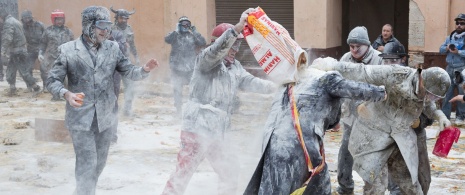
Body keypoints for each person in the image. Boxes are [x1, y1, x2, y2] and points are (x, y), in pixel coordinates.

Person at [46, 6, 159, 195]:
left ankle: (82, 192)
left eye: (108, 26)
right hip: (80, 119)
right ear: (89, 25)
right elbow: (52, 80)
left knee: (99, 163)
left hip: (106, 118)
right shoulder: (68, 50)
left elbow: (128, 70)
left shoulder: (112, 48)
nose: (106, 30)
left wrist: (144, 70)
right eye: (101, 25)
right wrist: (66, 93)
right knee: (87, 163)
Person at [161, 9, 276, 195]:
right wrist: (237, 28)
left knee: (230, 171)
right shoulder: (205, 60)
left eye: (238, 45)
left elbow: (252, 82)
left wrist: (278, 86)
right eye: (232, 44)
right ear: (218, 43)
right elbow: (216, 52)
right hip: (197, 130)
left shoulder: (235, 68)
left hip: (218, 133)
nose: (235, 50)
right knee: (183, 174)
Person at [311, 58, 452, 195]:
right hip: (374, 136)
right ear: (421, 79)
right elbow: (362, 71)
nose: (429, 98)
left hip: (398, 138)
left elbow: (428, 105)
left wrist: (440, 116)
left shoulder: (425, 93)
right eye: (429, 94)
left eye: (434, 97)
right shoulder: (396, 75)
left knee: (411, 186)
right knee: (376, 187)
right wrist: (330, 65)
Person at [336, 26, 383, 195]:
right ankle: (344, 187)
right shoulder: (345, 59)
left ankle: (371, 189)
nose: (354, 50)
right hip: (350, 117)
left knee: (370, 156)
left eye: (358, 47)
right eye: (351, 46)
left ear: (367, 45)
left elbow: (385, 89)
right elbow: (338, 87)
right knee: (345, 154)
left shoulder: (379, 60)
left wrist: (369, 106)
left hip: (372, 120)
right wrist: (337, 116)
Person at [165, 16, 206, 116]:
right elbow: (167, 39)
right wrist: (175, 30)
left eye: (187, 24)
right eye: (183, 24)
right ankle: (178, 110)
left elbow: (202, 42)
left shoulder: (192, 36)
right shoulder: (175, 35)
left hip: (190, 68)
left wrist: (195, 32)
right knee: (177, 90)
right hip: (177, 68)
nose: (185, 26)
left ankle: (192, 110)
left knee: (194, 90)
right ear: (179, 25)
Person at [0, 7, 41, 96]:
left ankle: (35, 87)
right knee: (11, 70)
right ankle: (12, 88)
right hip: (17, 50)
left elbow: (7, 38)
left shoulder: (8, 23)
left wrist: (2, 51)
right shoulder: (14, 21)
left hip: (17, 51)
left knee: (24, 72)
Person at [110, 6, 140, 116]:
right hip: (112, 62)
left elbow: (132, 45)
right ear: (116, 18)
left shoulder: (129, 29)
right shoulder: (110, 29)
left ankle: (127, 110)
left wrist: (136, 57)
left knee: (130, 85)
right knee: (113, 88)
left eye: (125, 19)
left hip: (125, 62)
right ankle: (112, 110)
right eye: (121, 18)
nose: (123, 21)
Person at [38, 9, 74, 99]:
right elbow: (43, 43)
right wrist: (40, 53)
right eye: (57, 19)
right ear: (53, 20)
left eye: (61, 19)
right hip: (51, 58)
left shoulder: (68, 32)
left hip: (64, 57)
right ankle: (55, 94)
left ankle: (64, 93)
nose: (60, 21)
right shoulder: (48, 31)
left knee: (65, 76)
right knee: (51, 76)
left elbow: (73, 44)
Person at [440, 13, 465, 125]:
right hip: (449, 68)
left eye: (462, 23)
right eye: (457, 23)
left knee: (461, 93)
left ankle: (461, 116)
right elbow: (440, 50)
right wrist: (446, 48)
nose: (459, 25)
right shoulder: (450, 37)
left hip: (461, 69)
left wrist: (458, 52)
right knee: (447, 93)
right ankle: (445, 116)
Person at [21, 10, 45, 81]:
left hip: (41, 48)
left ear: (31, 18)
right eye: (25, 19)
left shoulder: (40, 25)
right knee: (28, 68)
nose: (27, 21)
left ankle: (46, 85)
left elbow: (47, 36)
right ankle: (31, 85)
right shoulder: (22, 28)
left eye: (28, 18)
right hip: (30, 49)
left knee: (44, 68)